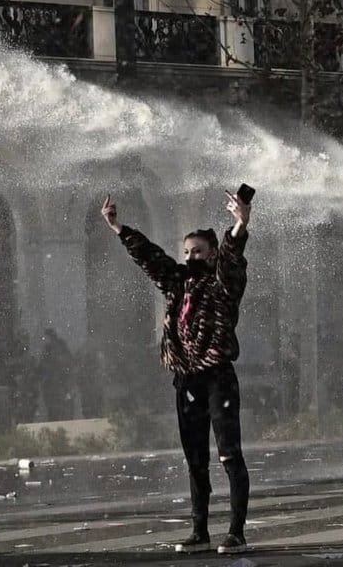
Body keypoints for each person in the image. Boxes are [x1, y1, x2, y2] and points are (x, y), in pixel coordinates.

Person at [101, 190, 251, 555]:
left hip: (217, 376)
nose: (190, 257)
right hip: (187, 379)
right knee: (195, 456)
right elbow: (151, 258)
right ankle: (200, 531)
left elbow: (233, 257)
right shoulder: (178, 282)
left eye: (197, 251)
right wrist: (118, 227)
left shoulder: (223, 283)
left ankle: (236, 532)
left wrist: (241, 223)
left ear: (212, 253)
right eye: (187, 252)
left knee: (229, 454)